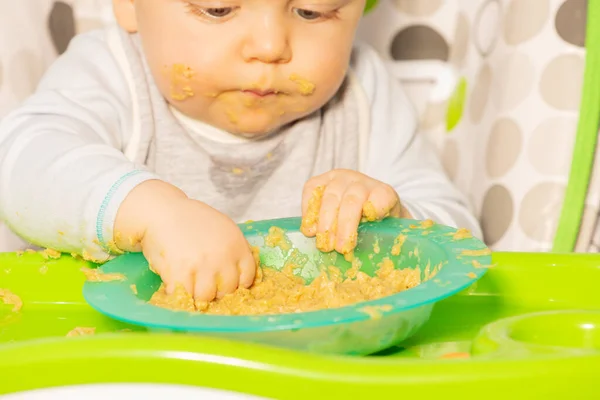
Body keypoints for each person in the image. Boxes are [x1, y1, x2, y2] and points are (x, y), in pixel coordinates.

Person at [0, 0, 481, 304]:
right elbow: (20, 163)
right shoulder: (109, 72)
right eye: (218, 9)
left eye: (312, 12)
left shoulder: (364, 94)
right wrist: (150, 212)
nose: (271, 47)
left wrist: (394, 213)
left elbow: (462, 238)